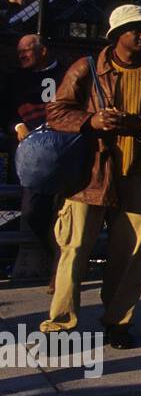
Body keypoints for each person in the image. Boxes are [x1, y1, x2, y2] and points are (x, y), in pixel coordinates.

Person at [42, 5, 141, 347]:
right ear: (116, 35)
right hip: (89, 176)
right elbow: (56, 111)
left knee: (132, 251)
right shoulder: (86, 67)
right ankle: (60, 324)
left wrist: (139, 124)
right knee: (75, 248)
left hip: (137, 173)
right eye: (135, 29)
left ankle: (118, 322)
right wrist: (90, 122)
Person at [10, 34, 63, 265]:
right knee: (33, 209)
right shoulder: (16, 79)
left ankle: (60, 263)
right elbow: (6, 108)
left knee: (61, 207)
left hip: (62, 148)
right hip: (31, 152)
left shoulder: (66, 74)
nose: (21, 56)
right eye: (19, 52)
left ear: (43, 51)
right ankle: (45, 255)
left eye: (27, 51)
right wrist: (18, 125)